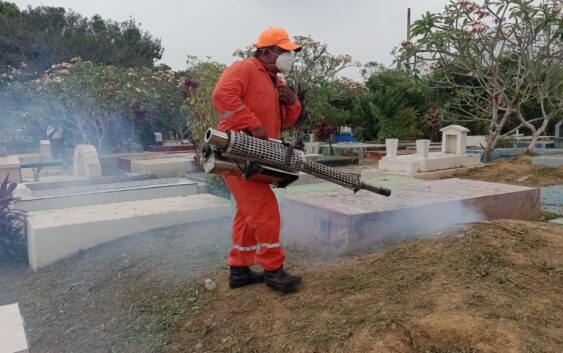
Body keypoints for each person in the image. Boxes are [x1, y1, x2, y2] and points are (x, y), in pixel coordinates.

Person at [212, 27, 303, 292]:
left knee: (247, 213)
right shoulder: (245, 69)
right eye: (284, 51)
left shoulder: (277, 81)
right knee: (265, 212)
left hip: (261, 154)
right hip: (238, 152)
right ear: (265, 51)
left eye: (291, 52)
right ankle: (274, 271)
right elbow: (223, 96)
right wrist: (253, 124)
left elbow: (285, 121)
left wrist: (291, 102)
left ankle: (239, 271)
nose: (289, 56)